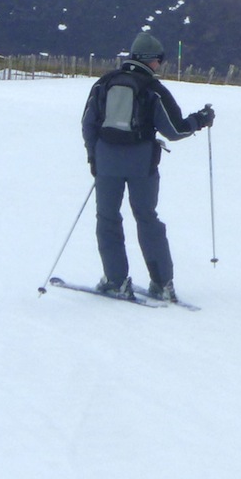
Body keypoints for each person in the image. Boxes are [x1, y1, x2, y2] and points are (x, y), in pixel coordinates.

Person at [80, 31, 214, 301]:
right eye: (159, 60)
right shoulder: (154, 90)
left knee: (107, 218)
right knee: (146, 218)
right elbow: (175, 129)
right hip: (142, 163)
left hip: (106, 161)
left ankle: (115, 280)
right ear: (151, 60)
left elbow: (88, 124)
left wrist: (94, 157)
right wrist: (200, 120)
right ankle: (162, 283)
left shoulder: (104, 83)